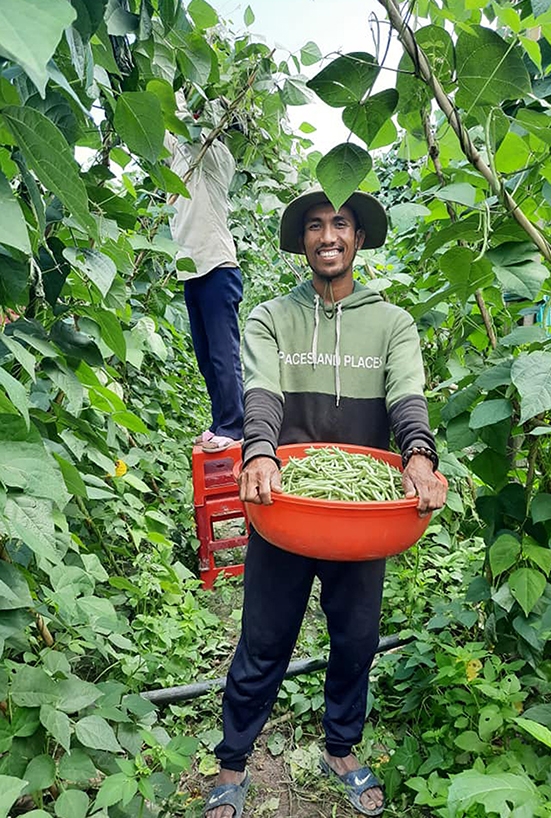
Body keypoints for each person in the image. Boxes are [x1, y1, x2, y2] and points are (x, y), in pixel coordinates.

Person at [203, 187, 447, 818]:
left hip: (361, 519)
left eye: (340, 223)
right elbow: (260, 388)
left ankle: (342, 748)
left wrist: (418, 455)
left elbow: (406, 395)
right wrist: (260, 451)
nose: (329, 235)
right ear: (303, 241)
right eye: (315, 225)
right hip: (286, 503)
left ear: (358, 237)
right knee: (263, 638)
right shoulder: (271, 317)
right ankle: (233, 761)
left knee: (356, 637)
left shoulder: (391, 323)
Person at [165, 92, 243, 452]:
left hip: (216, 266)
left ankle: (234, 426)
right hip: (192, 270)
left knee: (222, 354)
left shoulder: (216, 156)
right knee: (205, 356)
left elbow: (189, 130)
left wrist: (182, 98)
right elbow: (168, 132)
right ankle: (220, 421)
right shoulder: (182, 160)